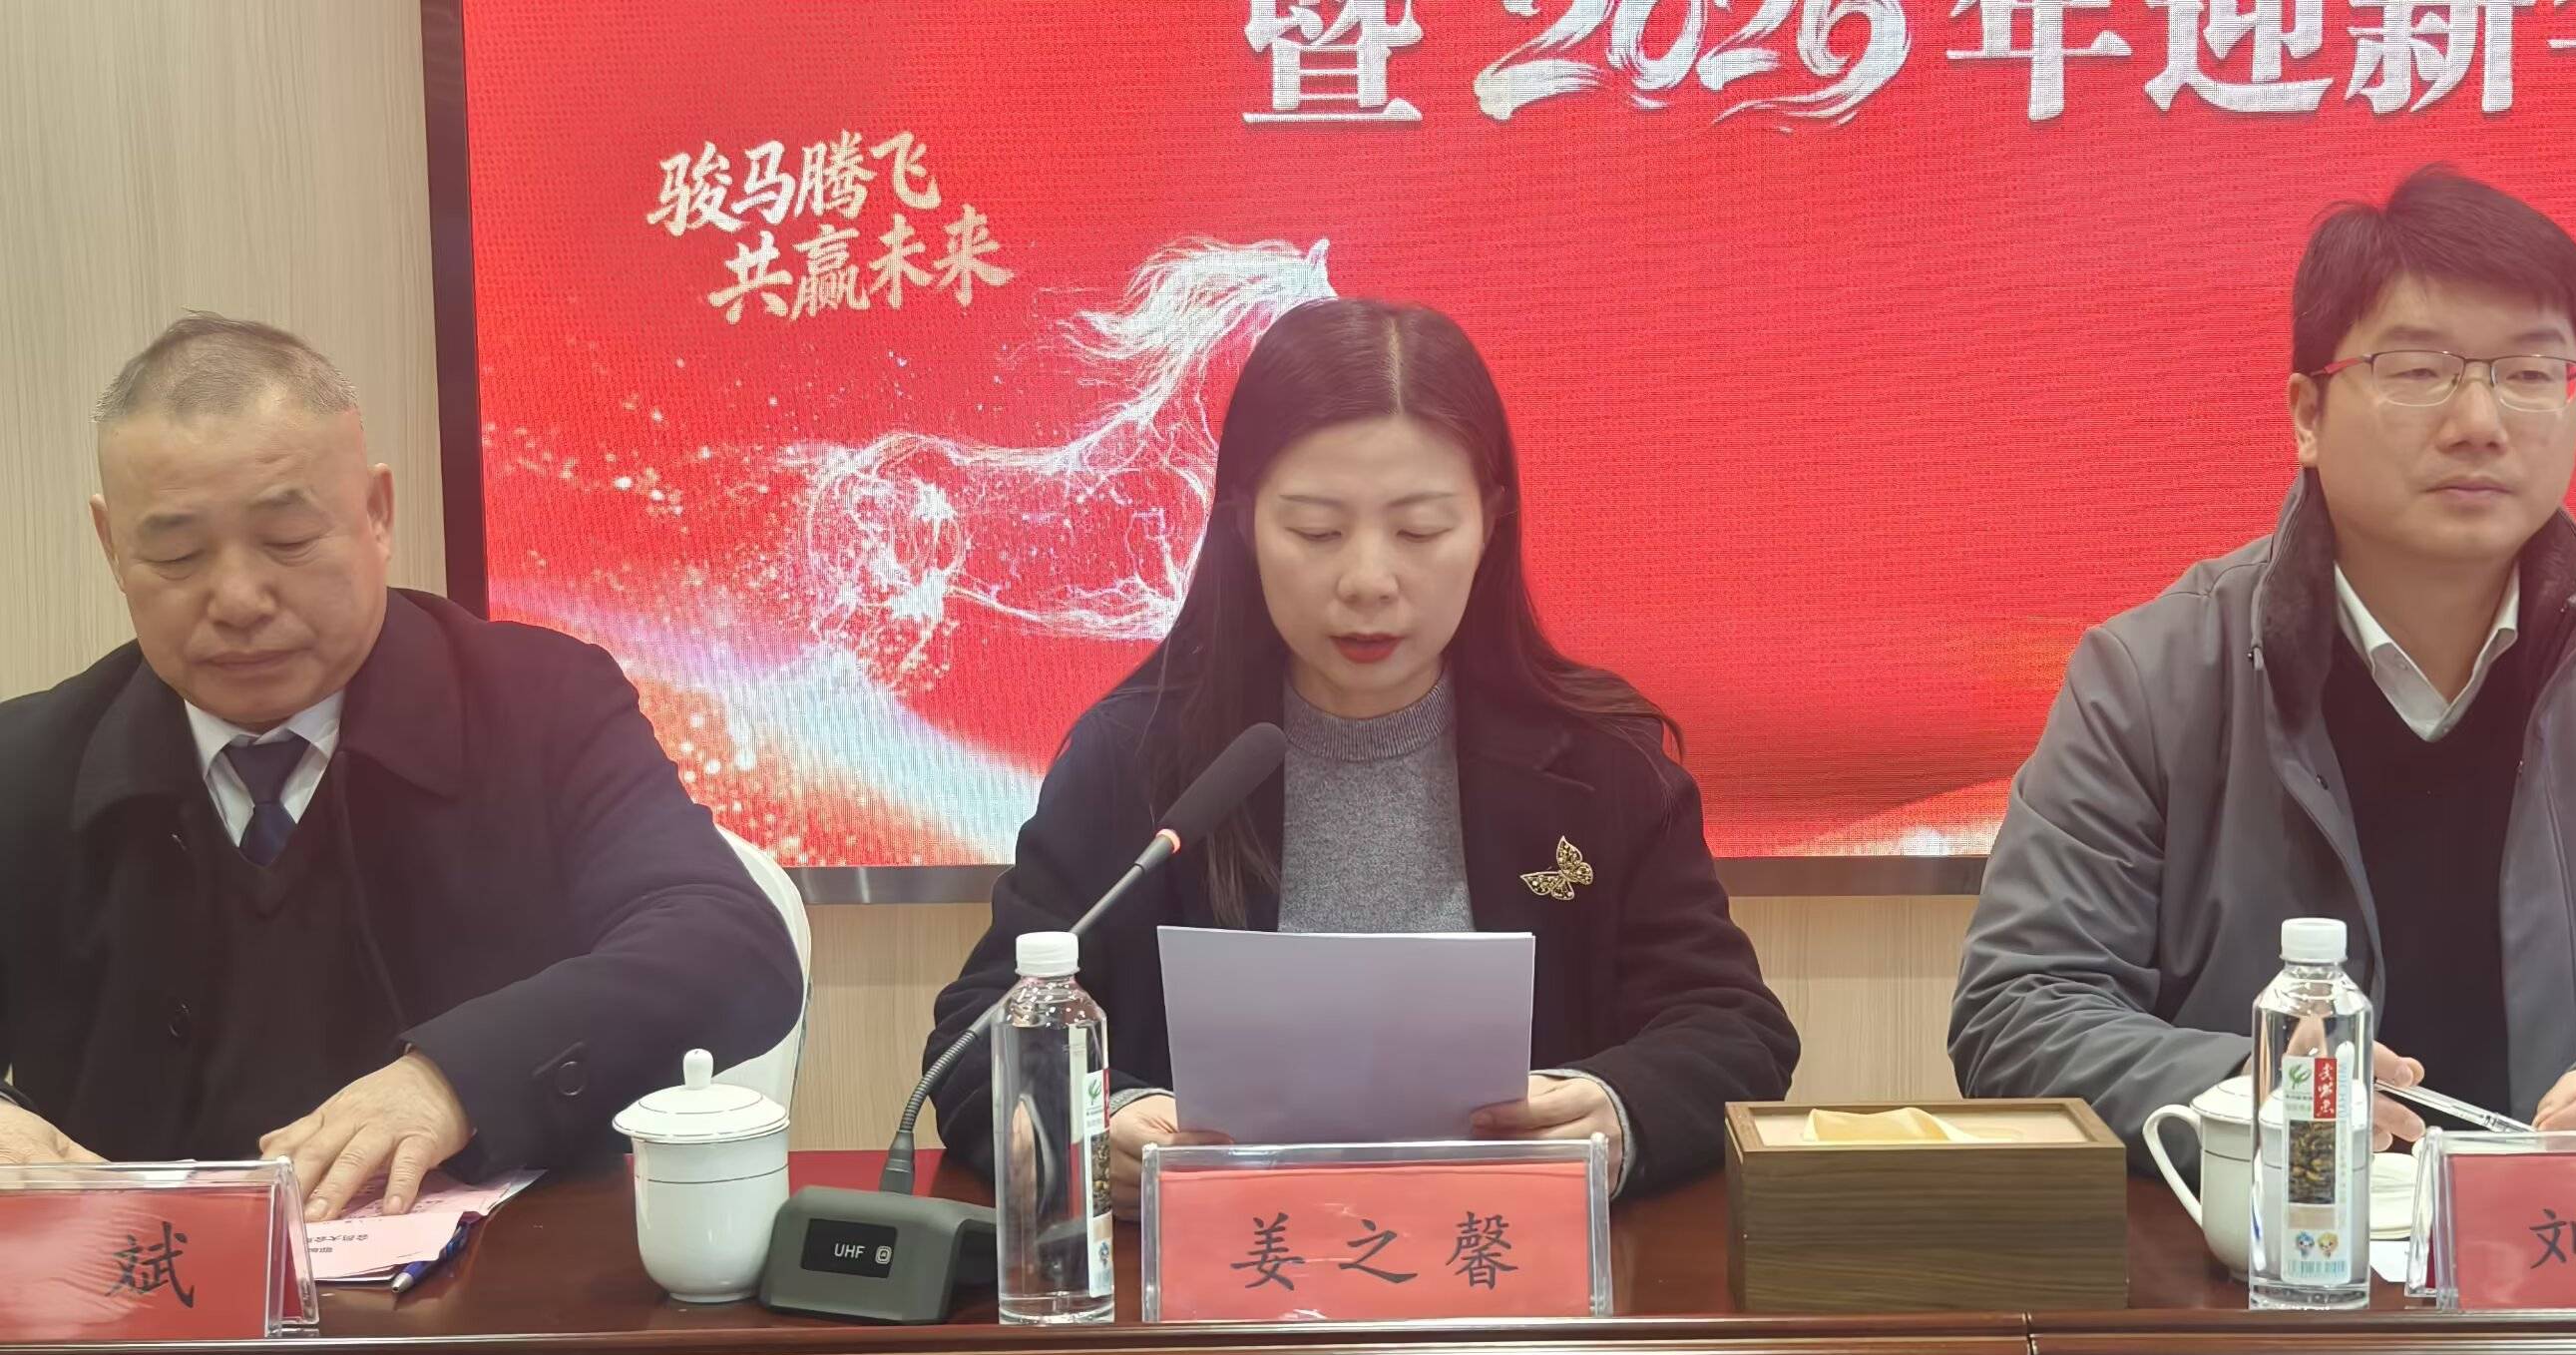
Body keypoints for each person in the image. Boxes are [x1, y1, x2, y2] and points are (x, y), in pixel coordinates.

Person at [1950, 167, 2576, 1157]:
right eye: (2418, 371)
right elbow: (2018, 1010)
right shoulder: (2149, 678)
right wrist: (2244, 1091)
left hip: (2558, 1242)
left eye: (2531, 373)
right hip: (2254, 1242)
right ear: (2307, 415)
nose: (2480, 423)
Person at [923, 297, 1798, 1207]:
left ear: (1490, 524)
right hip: (1217, 1277)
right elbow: (975, 1042)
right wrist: (1104, 1124)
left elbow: (1734, 1029)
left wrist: (1618, 1112)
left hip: (1512, 1273)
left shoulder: (1598, 769)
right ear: (1242, 523)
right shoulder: (1135, 763)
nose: (1368, 581)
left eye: (1420, 531)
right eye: (1316, 531)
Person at [0, 314, 802, 1218]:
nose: (239, 599)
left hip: (502, 1287)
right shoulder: (27, 764)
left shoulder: (542, 704)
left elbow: (726, 943)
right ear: (112, 546)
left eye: (288, 539)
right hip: (129, 1293)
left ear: (377, 514)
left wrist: (453, 1081)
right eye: (179, 554)